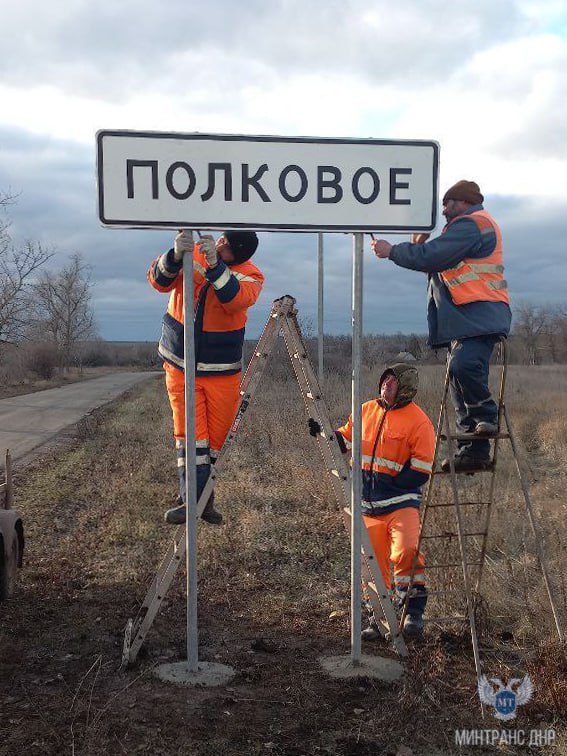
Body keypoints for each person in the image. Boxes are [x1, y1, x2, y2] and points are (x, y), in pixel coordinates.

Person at [371, 180, 511, 472]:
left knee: (463, 367)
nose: (445, 209)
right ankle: (472, 453)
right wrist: (418, 244)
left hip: (479, 314)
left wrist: (392, 250)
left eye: (449, 204)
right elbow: (433, 259)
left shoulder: (472, 225)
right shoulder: (463, 227)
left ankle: (486, 416)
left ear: (464, 202)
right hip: (466, 318)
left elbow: (434, 256)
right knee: (458, 381)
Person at [309, 363, 435, 637]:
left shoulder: (419, 422)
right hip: (367, 506)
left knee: (406, 553)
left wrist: (390, 486)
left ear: (405, 388)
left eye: (394, 380)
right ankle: (378, 621)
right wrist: (323, 433)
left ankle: (412, 615)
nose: (387, 383)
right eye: (386, 378)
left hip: (401, 504)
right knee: (371, 567)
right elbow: (345, 438)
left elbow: (422, 469)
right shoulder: (365, 410)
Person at [148, 229, 264, 525]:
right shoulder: (192, 252)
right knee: (190, 437)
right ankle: (191, 502)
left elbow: (234, 299)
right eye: (221, 239)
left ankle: (204, 499)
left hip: (221, 372)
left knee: (215, 444)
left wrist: (215, 267)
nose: (219, 243)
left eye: (226, 246)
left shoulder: (252, 276)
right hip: (179, 364)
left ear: (237, 255)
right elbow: (158, 281)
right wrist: (174, 256)